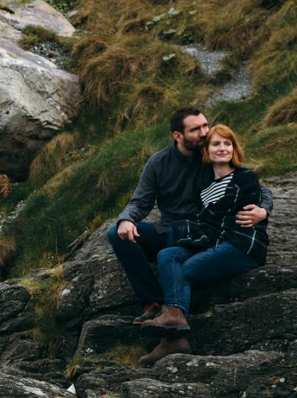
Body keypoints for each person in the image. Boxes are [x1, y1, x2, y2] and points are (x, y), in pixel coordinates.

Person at [106, 107, 272, 324]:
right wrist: (127, 219)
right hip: (172, 229)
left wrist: (264, 209)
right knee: (117, 234)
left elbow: (249, 182)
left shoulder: (210, 155)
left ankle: (173, 309)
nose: (204, 132)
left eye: (205, 125)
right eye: (196, 129)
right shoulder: (158, 163)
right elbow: (141, 201)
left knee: (172, 256)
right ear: (178, 136)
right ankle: (153, 303)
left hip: (207, 231)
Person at [137, 124, 269, 364]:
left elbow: (244, 205)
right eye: (216, 144)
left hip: (241, 245)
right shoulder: (205, 188)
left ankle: (171, 332)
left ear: (234, 148)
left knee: (185, 271)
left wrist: (263, 211)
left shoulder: (243, 176)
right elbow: (208, 223)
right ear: (206, 151)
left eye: (227, 143)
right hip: (215, 244)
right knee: (167, 255)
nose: (222, 148)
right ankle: (175, 332)